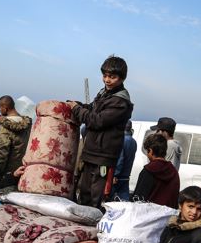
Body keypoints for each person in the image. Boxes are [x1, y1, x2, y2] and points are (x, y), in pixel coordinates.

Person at [68, 55, 133, 208]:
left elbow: (96, 121)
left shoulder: (120, 102)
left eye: (112, 77)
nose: (107, 80)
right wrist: (78, 105)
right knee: (83, 194)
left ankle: (92, 230)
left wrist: (77, 110)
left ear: (122, 78)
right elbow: (91, 109)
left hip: (102, 156)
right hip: (91, 153)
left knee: (94, 199)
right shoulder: (104, 94)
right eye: (105, 76)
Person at [0, 95, 32, 193]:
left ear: (5, 108)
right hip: (22, 173)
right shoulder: (27, 126)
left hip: (6, 177)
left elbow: (2, 153)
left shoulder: (5, 128)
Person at [131, 133, 180, 208]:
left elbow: (138, 199)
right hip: (168, 216)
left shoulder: (148, 171)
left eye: (147, 151)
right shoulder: (174, 171)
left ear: (150, 151)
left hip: (149, 216)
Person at [110, 120, 137, 201]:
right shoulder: (133, 141)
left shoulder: (121, 140)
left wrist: (115, 175)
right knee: (124, 201)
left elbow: (120, 159)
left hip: (118, 177)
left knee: (111, 201)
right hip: (126, 176)